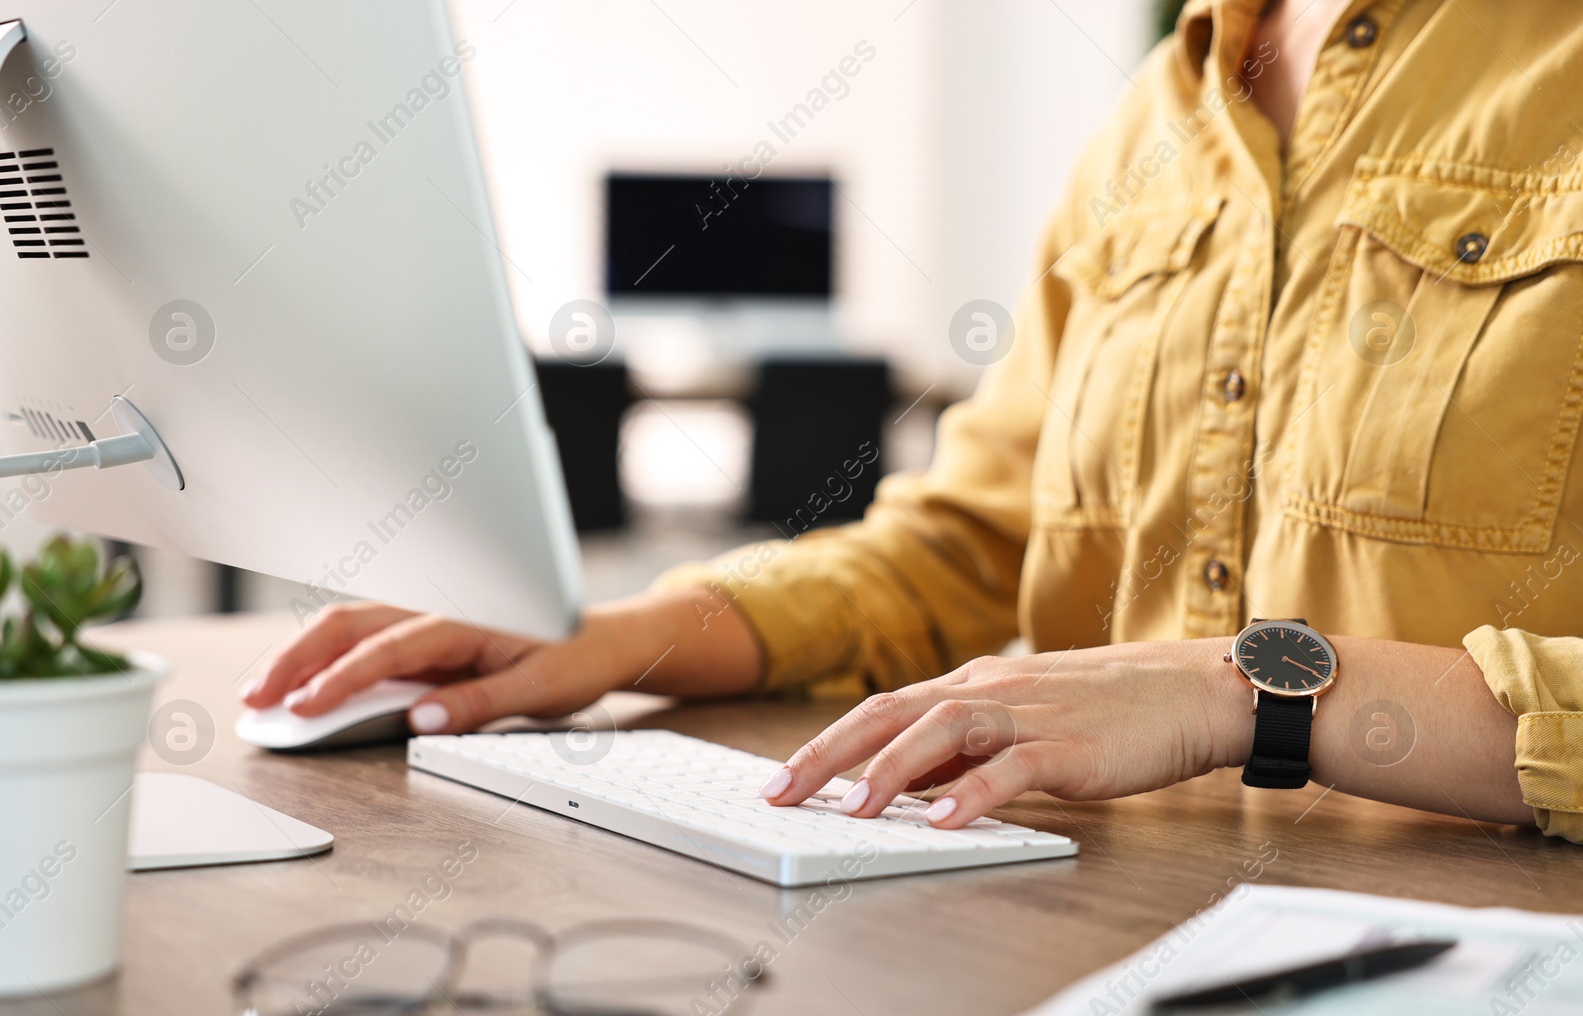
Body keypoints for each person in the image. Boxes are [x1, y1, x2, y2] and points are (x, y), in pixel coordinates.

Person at [242, 0, 1583, 843]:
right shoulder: (1156, 117)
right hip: (1097, 905)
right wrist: (630, 630)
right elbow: (962, 548)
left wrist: (1242, 695)